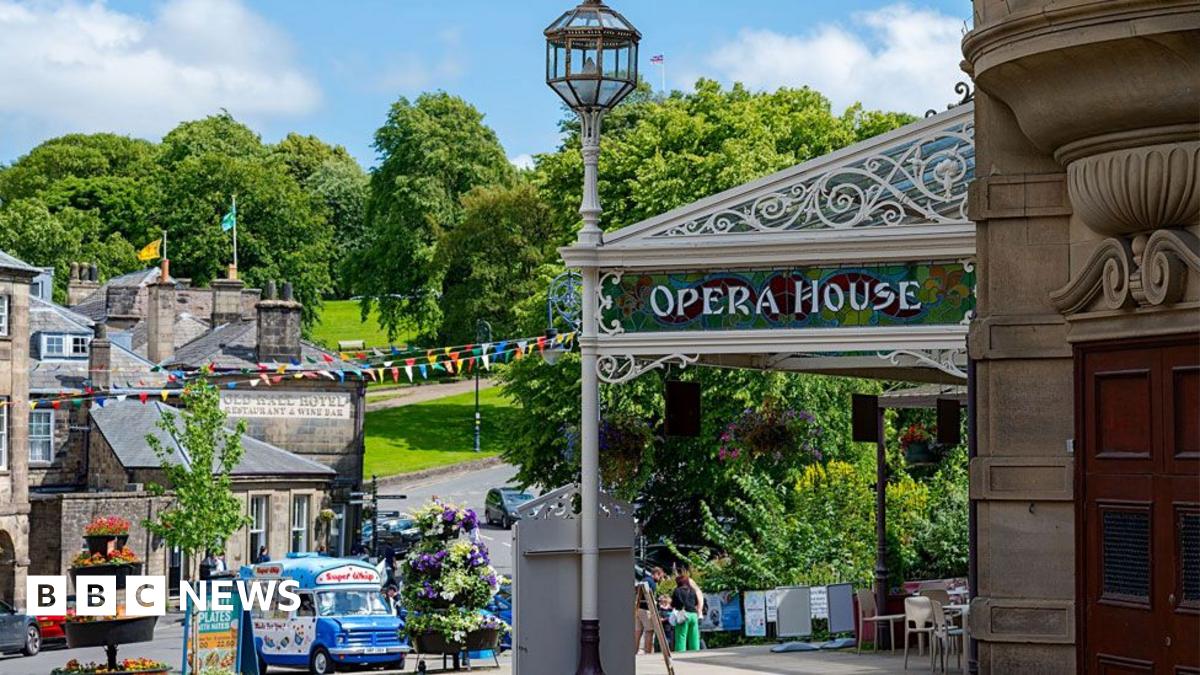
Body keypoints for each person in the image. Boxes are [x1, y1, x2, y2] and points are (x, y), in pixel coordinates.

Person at [670, 571, 702, 652]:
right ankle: (695, 653)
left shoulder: (677, 590)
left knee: (681, 636)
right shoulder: (692, 590)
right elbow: (696, 602)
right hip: (693, 615)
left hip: (683, 615)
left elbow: (674, 603)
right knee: (694, 636)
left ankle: (680, 654)